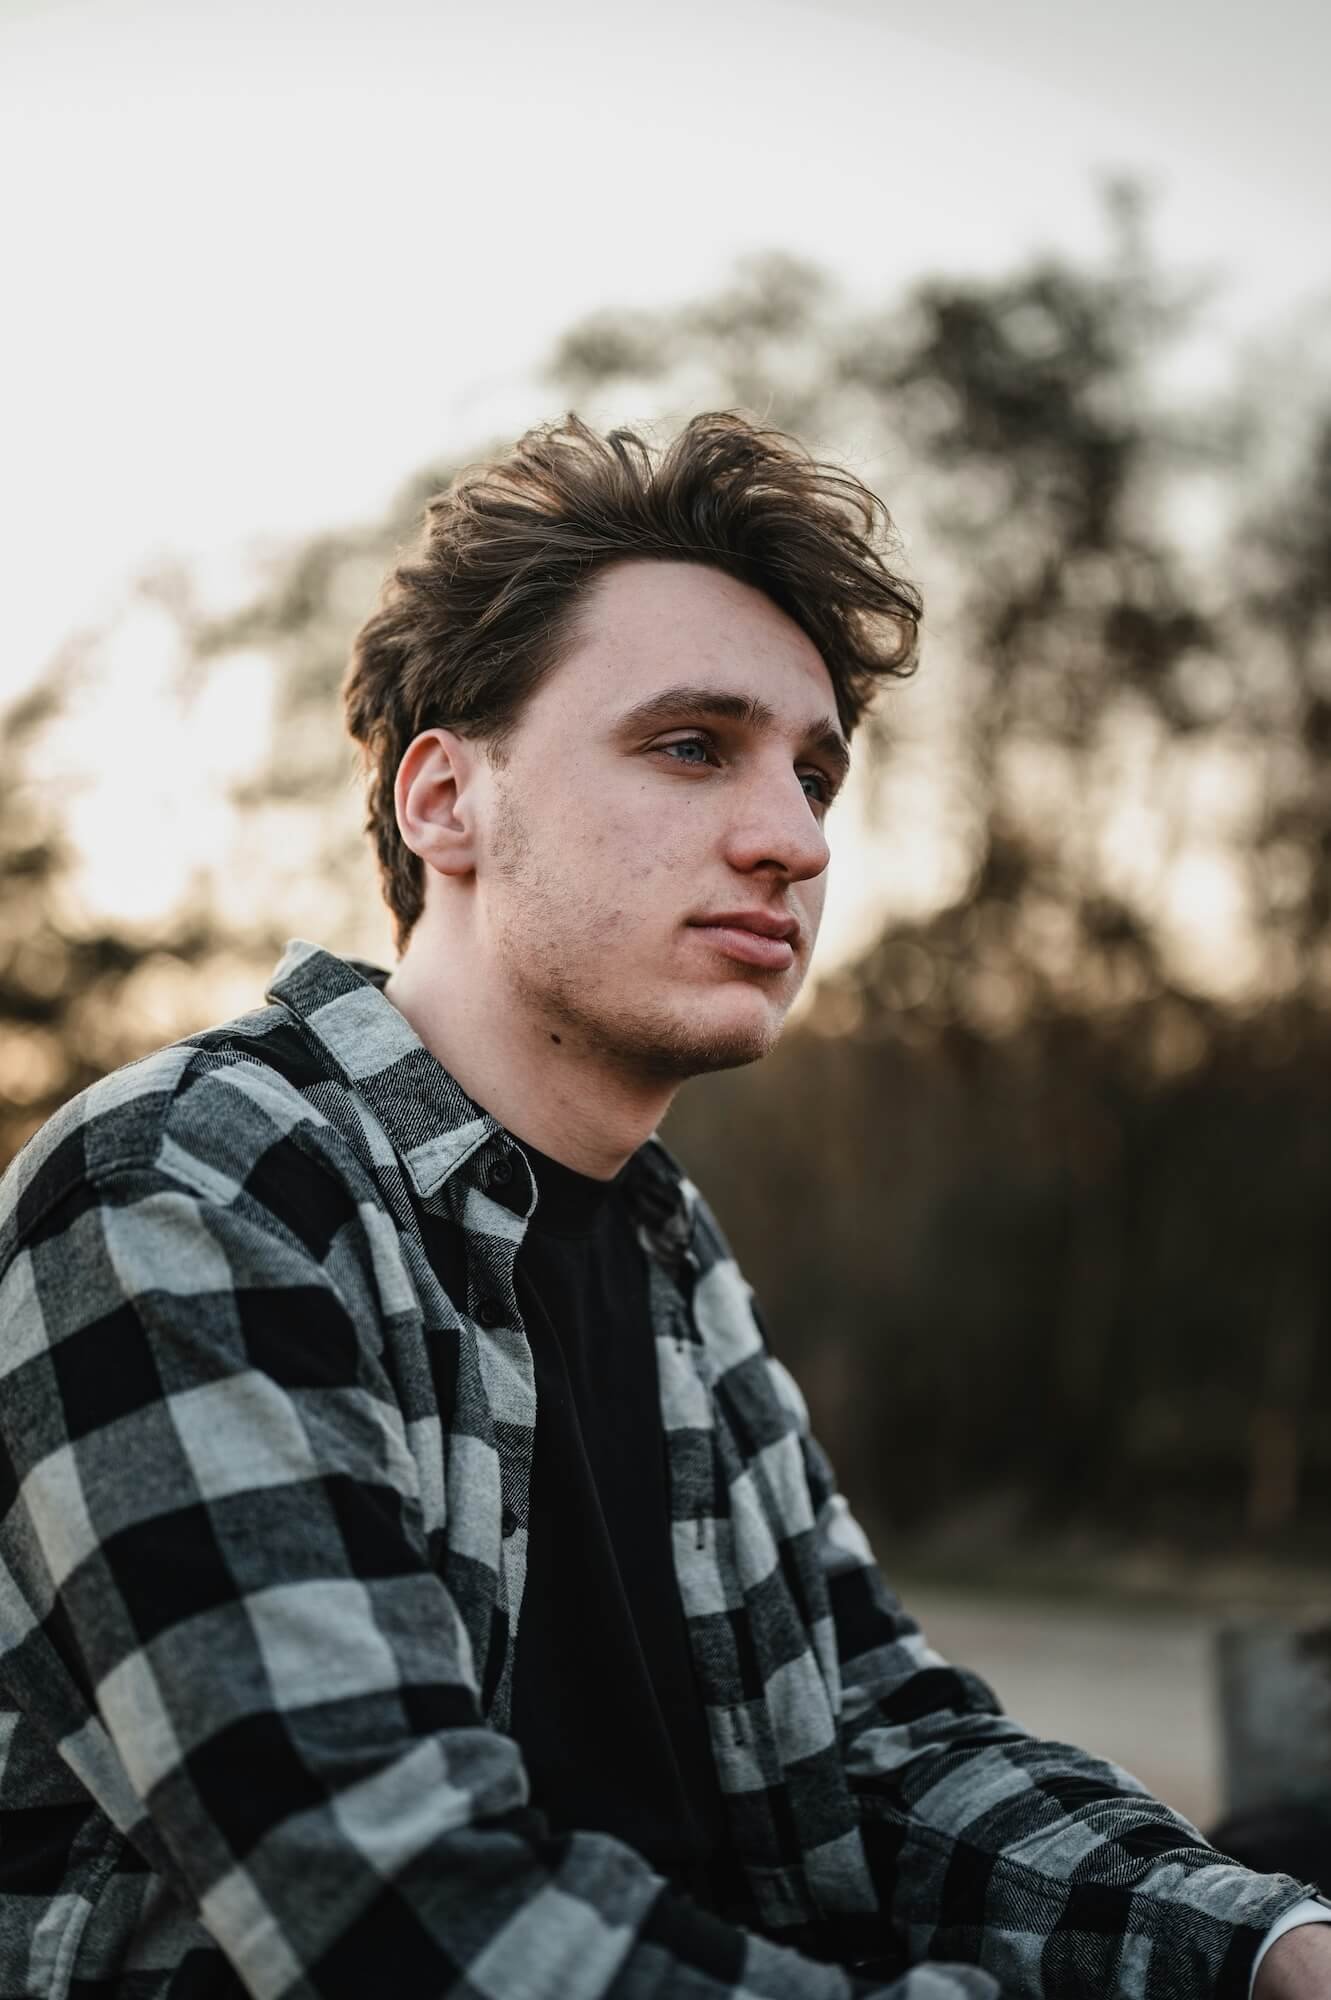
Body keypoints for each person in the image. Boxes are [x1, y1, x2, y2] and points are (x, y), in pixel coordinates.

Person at [0, 412, 1326, 2000]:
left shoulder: (663, 1249)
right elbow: (397, 1906)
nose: (793, 838)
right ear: (445, 802)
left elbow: (878, 1744)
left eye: (815, 773)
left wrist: (1272, 1950)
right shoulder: (189, 1186)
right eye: (692, 745)